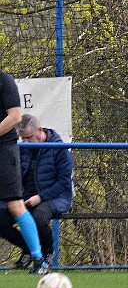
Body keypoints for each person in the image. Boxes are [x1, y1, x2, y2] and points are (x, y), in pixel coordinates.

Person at [0, 114, 74, 269]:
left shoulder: (59, 149)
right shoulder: (23, 149)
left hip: (53, 197)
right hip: (25, 197)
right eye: (23, 139)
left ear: (40, 131)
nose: (26, 143)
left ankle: (48, 253)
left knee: (38, 218)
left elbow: (64, 182)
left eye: (29, 137)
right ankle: (27, 248)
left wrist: (40, 197)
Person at [0, 72, 47, 275]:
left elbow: (15, 117)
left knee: (15, 205)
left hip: (4, 150)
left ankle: (39, 259)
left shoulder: (5, 81)